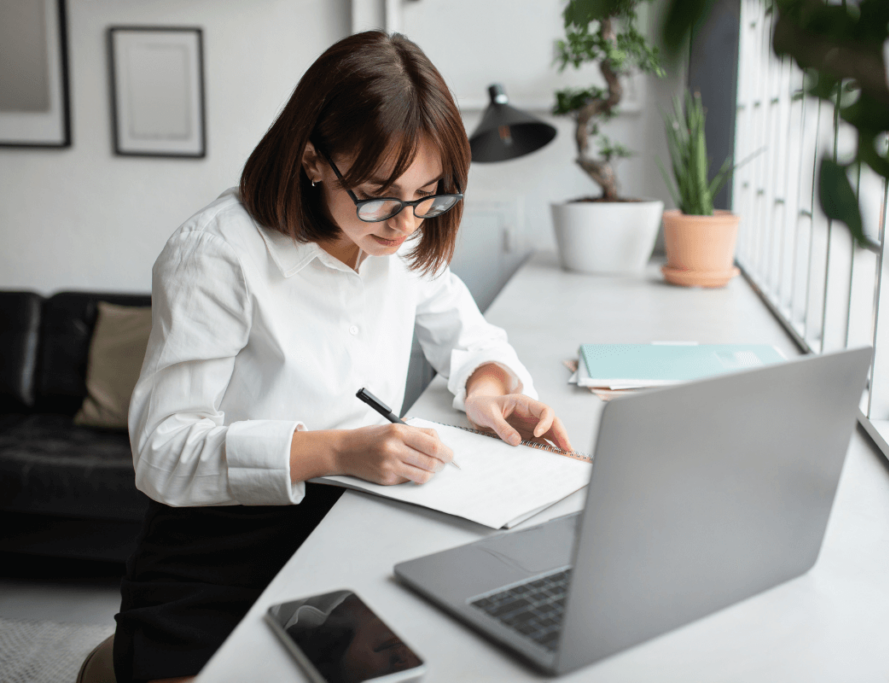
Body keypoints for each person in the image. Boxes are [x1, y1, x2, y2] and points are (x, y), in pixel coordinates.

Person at [113, 30, 572, 683]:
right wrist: (335, 450)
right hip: (214, 551)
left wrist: (490, 390)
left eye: (429, 193)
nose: (407, 222)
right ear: (311, 161)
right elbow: (163, 451)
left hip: (347, 526)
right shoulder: (217, 254)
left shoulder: (399, 241)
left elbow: (467, 337)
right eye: (380, 192)